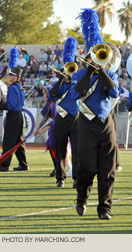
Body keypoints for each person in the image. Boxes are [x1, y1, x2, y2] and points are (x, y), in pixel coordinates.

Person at [70, 8, 120, 220]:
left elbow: (116, 92)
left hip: (106, 124)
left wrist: (101, 72)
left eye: (100, 54)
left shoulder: (109, 74)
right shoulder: (80, 74)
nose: (96, 58)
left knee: (108, 170)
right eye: (94, 54)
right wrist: (90, 72)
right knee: (87, 167)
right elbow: (73, 95)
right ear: (88, 55)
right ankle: (82, 198)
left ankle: (104, 208)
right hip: (87, 124)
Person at [48, 37, 79, 189]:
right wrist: (60, 80)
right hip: (61, 119)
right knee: (60, 149)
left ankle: (77, 178)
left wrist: (72, 80)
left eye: (71, 69)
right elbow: (50, 96)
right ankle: (60, 178)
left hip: (76, 118)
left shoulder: (77, 83)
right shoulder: (58, 84)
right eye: (67, 69)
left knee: (77, 150)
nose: (69, 73)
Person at [0, 48, 28, 172]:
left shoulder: (12, 88)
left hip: (13, 116)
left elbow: (10, 105)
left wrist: (1, 104)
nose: (8, 76)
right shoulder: (20, 87)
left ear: (16, 76)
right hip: (20, 116)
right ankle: (23, 164)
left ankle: (4, 165)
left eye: (11, 75)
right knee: (19, 141)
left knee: (8, 140)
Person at [33, 86, 57, 178]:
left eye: (45, 93)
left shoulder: (56, 103)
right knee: (51, 147)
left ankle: (61, 168)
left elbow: (58, 119)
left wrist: (44, 129)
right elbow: (46, 117)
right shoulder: (49, 104)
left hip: (60, 128)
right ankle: (57, 167)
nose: (43, 96)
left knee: (57, 148)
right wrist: (37, 129)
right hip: (53, 128)